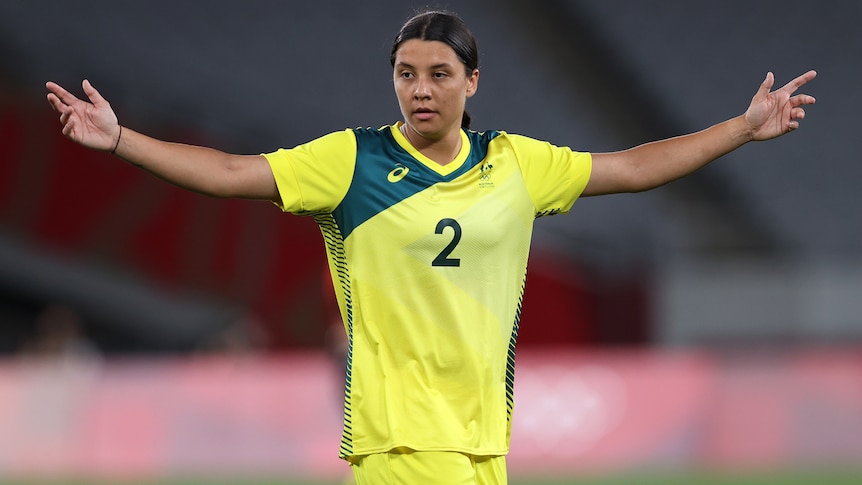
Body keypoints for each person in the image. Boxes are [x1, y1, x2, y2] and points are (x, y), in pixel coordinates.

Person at [45, 9, 816, 485]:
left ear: (472, 82)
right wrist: (122, 142)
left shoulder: (518, 163)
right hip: (401, 443)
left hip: (483, 445)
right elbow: (228, 172)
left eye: (438, 74)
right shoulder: (351, 161)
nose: (419, 88)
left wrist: (742, 128)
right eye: (406, 73)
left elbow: (637, 166)